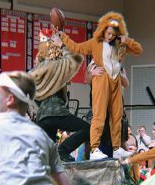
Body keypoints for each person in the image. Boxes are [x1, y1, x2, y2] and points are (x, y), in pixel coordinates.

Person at [55, 11, 143, 160]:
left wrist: (127, 40)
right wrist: (63, 36)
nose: (110, 36)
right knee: (99, 116)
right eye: (107, 33)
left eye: (113, 34)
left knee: (117, 117)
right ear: (102, 31)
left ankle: (116, 148)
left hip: (115, 82)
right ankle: (95, 149)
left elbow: (138, 50)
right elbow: (77, 48)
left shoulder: (120, 45)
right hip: (101, 81)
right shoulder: (95, 43)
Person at [30, 31, 90, 162]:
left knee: (47, 158)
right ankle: (63, 150)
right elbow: (77, 58)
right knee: (86, 128)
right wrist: (62, 44)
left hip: (42, 118)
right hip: (56, 112)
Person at [85, 59, 130, 158]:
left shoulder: (118, 64)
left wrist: (117, 72)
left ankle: (127, 169)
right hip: (98, 108)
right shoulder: (93, 63)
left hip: (115, 109)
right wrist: (92, 73)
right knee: (91, 139)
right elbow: (87, 80)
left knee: (121, 141)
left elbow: (126, 83)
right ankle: (89, 162)